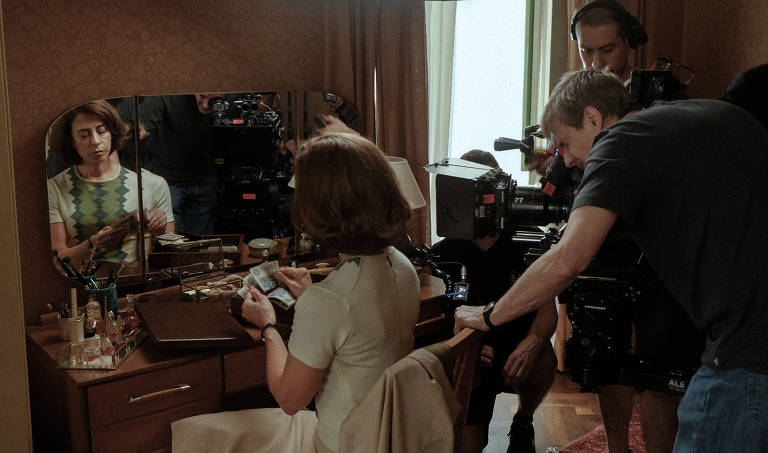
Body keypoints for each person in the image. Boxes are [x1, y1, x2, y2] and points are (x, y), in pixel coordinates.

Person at [454, 68, 768, 452]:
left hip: (748, 348)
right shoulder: (701, 115)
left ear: (592, 117)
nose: (565, 161)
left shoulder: (620, 141)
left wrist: (487, 315)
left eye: (565, 144)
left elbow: (568, 259)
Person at [173, 132, 420, 453]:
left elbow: (289, 400)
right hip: (389, 436)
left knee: (198, 429)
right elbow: (357, 333)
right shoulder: (402, 266)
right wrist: (308, 296)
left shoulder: (330, 300)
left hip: (341, 443)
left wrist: (268, 327)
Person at [571, 4, 703, 452]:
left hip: (660, 256)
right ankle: (616, 447)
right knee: (606, 361)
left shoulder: (664, 94)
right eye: (586, 51)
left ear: (631, 42)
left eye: (606, 49)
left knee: (657, 375)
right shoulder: (581, 95)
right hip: (605, 245)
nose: (596, 62)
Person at [432, 150, 557, 453]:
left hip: (515, 341)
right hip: (471, 348)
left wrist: (533, 342)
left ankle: (523, 420)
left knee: (544, 360)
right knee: (468, 444)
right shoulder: (446, 250)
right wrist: (469, 346)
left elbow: (547, 312)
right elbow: (441, 315)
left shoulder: (528, 240)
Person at [47, 100, 174, 269]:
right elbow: (57, 259)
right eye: (84, 135)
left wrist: (160, 227)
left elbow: (172, 250)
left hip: (136, 288)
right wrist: (91, 245)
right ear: (71, 141)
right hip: (80, 289)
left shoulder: (153, 184)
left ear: (113, 133)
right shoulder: (54, 188)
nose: (96, 141)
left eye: (102, 131)